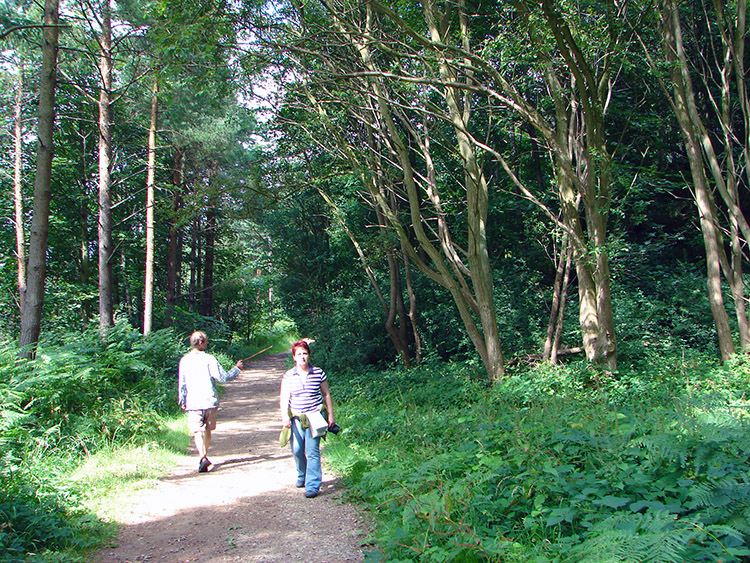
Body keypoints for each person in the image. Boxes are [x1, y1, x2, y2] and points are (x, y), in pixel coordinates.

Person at [178, 331, 243, 473]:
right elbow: (222, 377)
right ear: (201, 342)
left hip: (193, 401)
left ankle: (202, 457)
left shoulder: (184, 360)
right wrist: (236, 369)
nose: (207, 343)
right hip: (209, 401)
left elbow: (182, 383)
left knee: (197, 431)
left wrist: (182, 400)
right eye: (206, 341)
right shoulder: (209, 359)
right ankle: (204, 457)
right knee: (207, 429)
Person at [280, 340, 335, 498]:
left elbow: (326, 394)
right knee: (297, 450)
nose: (302, 357)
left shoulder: (318, 372)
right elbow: (284, 398)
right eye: (299, 354)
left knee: (312, 451)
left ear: (309, 355)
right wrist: (285, 416)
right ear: (294, 357)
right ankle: (302, 475)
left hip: (316, 416)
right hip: (297, 417)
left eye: (305, 353)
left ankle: (313, 485)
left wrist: (330, 415)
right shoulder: (289, 376)